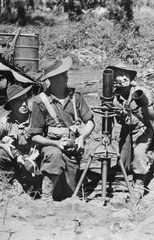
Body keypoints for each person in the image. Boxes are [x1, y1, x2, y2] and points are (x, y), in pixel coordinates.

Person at [27, 56, 95, 201]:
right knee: (54, 155)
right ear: (51, 79)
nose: (66, 76)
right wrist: (56, 144)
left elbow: (90, 121)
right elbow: (34, 136)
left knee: (70, 192)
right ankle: (46, 195)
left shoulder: (75, 97)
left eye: (65, 73)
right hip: (51, 147)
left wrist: (82, 138)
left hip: (72, 149)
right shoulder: (40, 102)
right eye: (61, 75)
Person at [107, 63, 154, 200]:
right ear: (114, 79)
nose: (123, 78)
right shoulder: (114, 97)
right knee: (123, 160)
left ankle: (139, 184)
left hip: (143, 129)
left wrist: (147, 105)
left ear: (131, 78)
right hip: (127, 130)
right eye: (119, 74)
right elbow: (109, 117)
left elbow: (152, 117)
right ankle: (130, 176)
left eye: (126, 75)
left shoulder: (140, 91)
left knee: (139, 153)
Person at [0, 84, 42, 198]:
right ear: (12, 104)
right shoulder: (6, 122)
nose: (24, 104)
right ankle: (12, 181)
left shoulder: (36, 117)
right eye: (19, 101)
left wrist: (36, 153)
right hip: (17, 162)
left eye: (25, 99)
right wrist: (0, 144)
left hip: (35, 159)